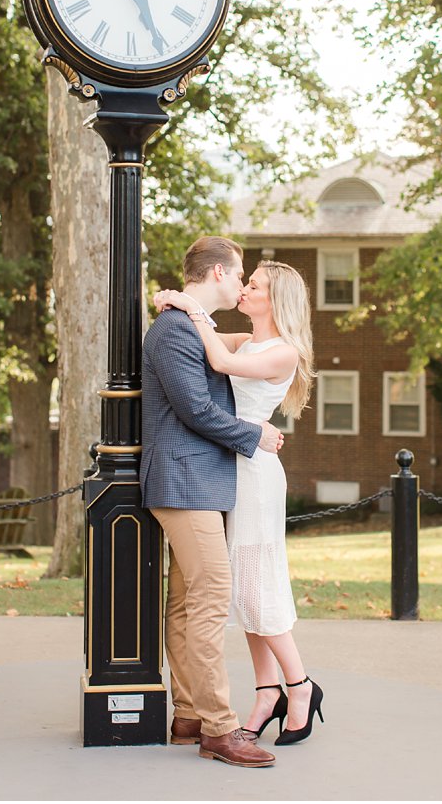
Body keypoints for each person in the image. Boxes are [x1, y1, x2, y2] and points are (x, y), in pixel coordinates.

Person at [154, 259, 325, 746]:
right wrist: (185, 306)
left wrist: (187, 304)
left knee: (256, 586)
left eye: (255, 286)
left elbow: (220, 363)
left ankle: (300, 686)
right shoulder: (248, 340)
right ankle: (267, 692)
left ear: (277, 301)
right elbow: (215, 346)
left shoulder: (283, 352)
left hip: (254, 473)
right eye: (244, 282)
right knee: (244, 589)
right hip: (232, 470)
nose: (245, 290)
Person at [141, 236, 285, 768]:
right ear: (220, 272)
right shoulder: (174, 330)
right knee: (210, 600)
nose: (242, 281)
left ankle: (189, 716)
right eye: (240, 273)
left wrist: (185, 301)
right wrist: (255, 437)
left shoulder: (186, 323)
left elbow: (229, 358)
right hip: (183, 484)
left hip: (196, 484)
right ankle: (220, 730)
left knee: (184, 604)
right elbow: (197, 410)